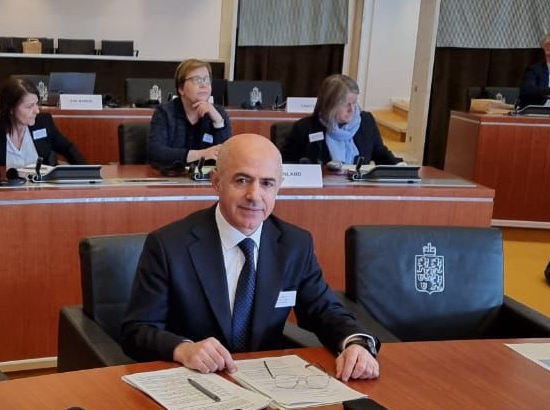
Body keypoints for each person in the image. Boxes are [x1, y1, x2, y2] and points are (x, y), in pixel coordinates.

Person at [121, 134, 380, 382]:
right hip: (194, 383)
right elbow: (137, 331)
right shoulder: (168, 245)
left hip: (268, 384)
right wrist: (183, 349)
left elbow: (324, 310)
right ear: (216, 182)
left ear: (278, 187)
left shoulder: (294, 244)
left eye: (267, 183)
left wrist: (355, 343)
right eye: (242, 180)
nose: (254, 195)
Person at [0, 78, 86, 167]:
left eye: (37, 104)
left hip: (41, 192)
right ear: (10, 109)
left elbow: (68, 148)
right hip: (3, 194)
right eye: (29, 107)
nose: (36, 111)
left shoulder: (43, 123)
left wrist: (87, 173)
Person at [281, 74, 397, 165]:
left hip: (357, 186)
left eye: (354, 103)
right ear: (330, 104)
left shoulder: (366, 122)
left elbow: (380, 153)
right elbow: (286, 162)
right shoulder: (305, 128)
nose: (352, 109)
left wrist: (400, 167)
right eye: (346, 104)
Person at [148, 59, 232, 167]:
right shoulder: (165, 113)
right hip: (173, 175)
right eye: (197, 80)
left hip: (207, 177)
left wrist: (218, 122)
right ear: (181, 89)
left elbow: (227, 155)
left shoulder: (218, 113)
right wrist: (201, 154)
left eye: (207, 79)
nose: (204, 85)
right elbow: (156, 152)